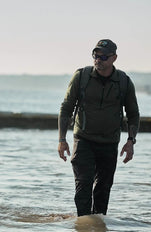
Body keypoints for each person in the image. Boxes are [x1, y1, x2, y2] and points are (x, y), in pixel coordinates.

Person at [58, 39, 140, 216]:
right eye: (95, 55)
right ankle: (83, 227)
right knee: (83, 186)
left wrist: (131, 142)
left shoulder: (124, 82)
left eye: (103, 56)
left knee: (103, 190)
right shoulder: (81, 76)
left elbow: (133, 114)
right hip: (83, 140)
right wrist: (62, 140)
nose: (98, 59)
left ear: (114, 58)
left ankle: (98, 228)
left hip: (109, 142)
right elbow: (66, 108)